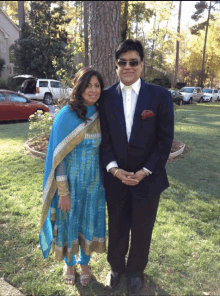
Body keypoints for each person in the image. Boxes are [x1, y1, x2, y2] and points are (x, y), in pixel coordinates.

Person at [99, 39, 174, 295]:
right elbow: (104, 139)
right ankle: (116, 267)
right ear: (115, 66)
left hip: (148, 179)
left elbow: (165, 140)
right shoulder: (106, 97)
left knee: (142, 228)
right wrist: (113, 169)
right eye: (122, 62)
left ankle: (135, 272)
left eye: (133, 62)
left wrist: (145, 171)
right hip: (115, 179)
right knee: (117, 225)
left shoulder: (160, 96)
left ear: (142, 65)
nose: (127, 67)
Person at [39, 67, 106, 287]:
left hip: (94, 184)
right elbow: (58, 159)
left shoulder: (100, 113)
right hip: (71, 184)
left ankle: (85, 263)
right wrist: (64, 193)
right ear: (79, 87)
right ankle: (70, 264)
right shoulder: (66, 115)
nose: (93, 90)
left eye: (97, 85)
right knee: (69, 222)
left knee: (89, 222)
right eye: (88, 85)